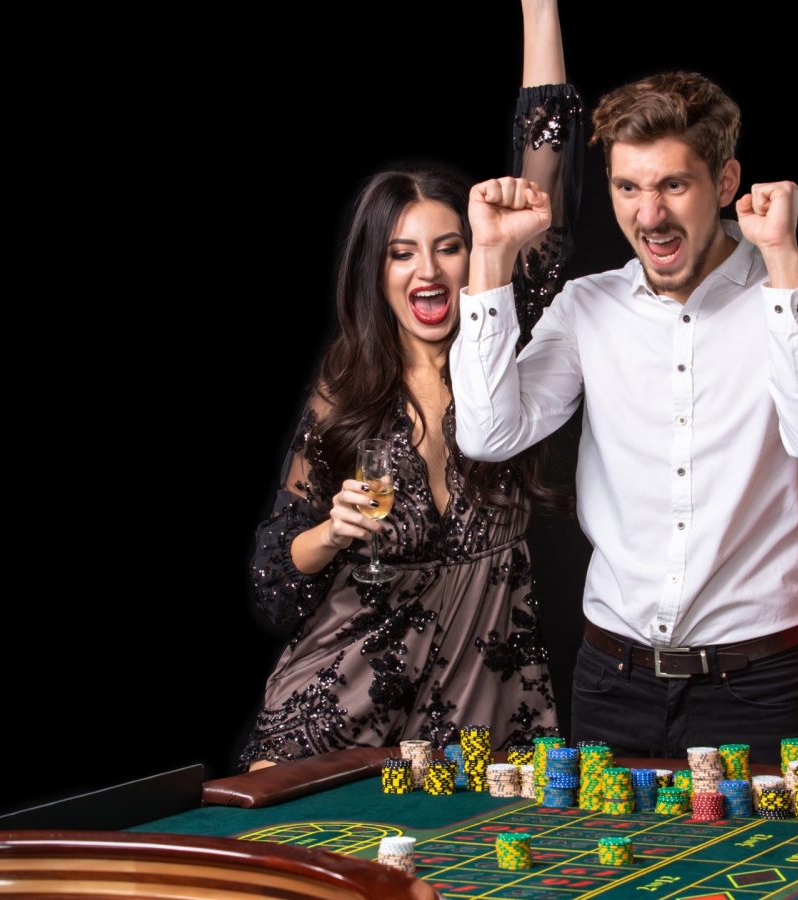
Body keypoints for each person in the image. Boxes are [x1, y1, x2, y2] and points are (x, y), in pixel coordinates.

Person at [449, 71, 798, 765]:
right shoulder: (587, 306)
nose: (649, 215)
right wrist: (491, 258)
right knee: (608, 877)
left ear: (726, 181)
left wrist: (782, 259)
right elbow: (488, 435)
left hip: (759, 686)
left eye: (674, 185)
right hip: (612, 684)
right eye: (628, 188)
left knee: (759, 878)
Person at [239, 0, 580, 768]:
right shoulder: (346, 388)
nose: (428, 271)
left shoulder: (501, 350)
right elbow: (270, 582)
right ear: (378, 271)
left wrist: (538, 7)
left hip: (484, 722)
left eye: (449, 247)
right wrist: (331, 530)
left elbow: (545, 153)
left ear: (477, 257)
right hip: (335, 715)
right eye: (401, 254)